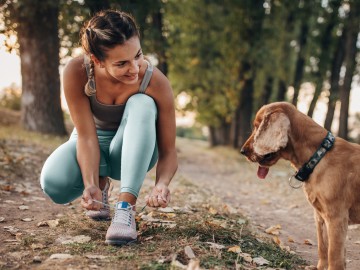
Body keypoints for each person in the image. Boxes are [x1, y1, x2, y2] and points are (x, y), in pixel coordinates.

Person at [40, 9, 178, 245]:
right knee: (53, 183)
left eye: (138, 55)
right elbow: (85, 137)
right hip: (93, 143)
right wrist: (90, 183)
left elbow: (168, 150)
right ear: (97, 60)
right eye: (122, 63)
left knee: (142, 103)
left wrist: (161, 184)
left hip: (135, 149)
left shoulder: (155, 81)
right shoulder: (77, 72)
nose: (135, 68)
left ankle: (125, 209)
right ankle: (102, 185)